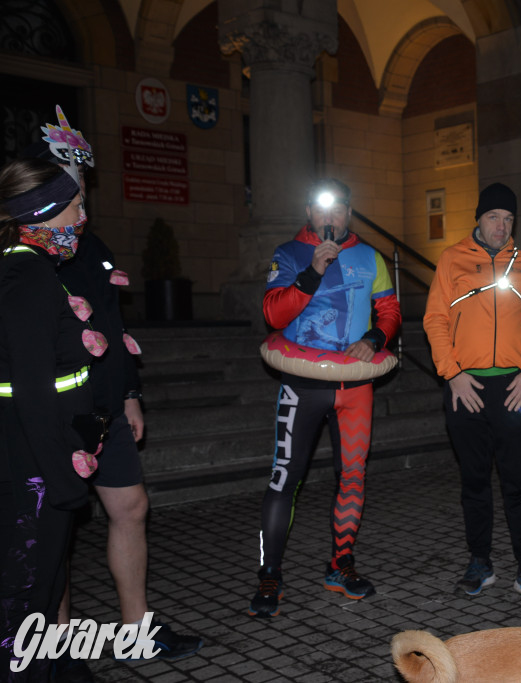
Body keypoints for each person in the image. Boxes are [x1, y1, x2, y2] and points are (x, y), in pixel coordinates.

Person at [19, 108, 203, 678]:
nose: (79, 183)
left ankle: (133, 631)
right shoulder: (26, 257)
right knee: (58, 527)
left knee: (131, 506)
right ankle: (59, 645)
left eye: (81, 173)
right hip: (55, 409)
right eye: (65, 172)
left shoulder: (91, 243)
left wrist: (128, 394)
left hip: (104, 406)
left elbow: (114, 327)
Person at [248, 178, 401, 617]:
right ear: (310, 213)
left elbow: (389, 312)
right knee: (285, 479)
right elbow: (273, 313)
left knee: (352, 476)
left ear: (349, 214)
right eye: (321, 209)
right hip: (303, 386)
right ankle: (270, 572)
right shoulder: (289, 253)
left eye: (339, 210)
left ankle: (341, 564)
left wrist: (373, 337)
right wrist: (313, 271)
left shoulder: (370, 257)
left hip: (355, 389)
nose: (330, 218)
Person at [423, 182, 521, 602]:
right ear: (479, 219)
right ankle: (480, 561)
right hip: (466, 387)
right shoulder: (452, 260)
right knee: (474, 481)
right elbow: (435, 320)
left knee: (518, 482)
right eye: (494, 217)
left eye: (509, 219)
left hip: (515, 386)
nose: (502, 226)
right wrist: (452, 373)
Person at [0, 158, 103, 679]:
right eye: (76, 205)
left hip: (39, 458)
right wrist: (61, 478)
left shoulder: (33, 269)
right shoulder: (26, 275)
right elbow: (31, 388)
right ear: (46, 214)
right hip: (32, 471)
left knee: (40, 595)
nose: (84, 214)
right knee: (26, 605)